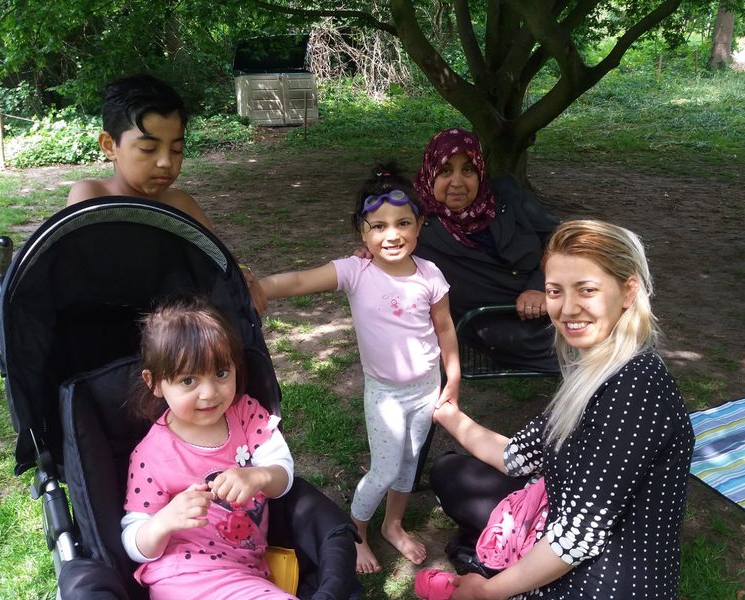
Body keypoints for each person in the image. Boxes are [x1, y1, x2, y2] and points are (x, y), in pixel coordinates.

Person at [425, 220, 695, 599]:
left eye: (587, 290)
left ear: (628, 291)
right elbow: (516, 456)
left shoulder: (635, 389)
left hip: (600, 582)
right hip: (559, 524)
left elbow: (578, 537)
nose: (567, 309)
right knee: (450, 472)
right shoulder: (595, 369)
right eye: (555, 291)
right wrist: (447, 412)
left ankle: (498, 566)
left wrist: (484, 592)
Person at [257, 165, 460, 574]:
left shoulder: (430, 275)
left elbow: (445, 328)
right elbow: (299, 281)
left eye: (403, 223)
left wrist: (452, 378)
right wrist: (257, 287)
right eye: (379, 226)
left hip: (426, 387)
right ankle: (357, 533)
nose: (392, 235)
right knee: (385, 468)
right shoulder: (356, 271)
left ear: (420, 224)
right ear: (361, 231)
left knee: (409, 463)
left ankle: (393, 524)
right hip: (385, 393)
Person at [120, 294, 296, 599]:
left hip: (244, 570)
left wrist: (259, 476)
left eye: (221, 373)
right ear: (155, 382)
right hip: (183, 574)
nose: (210, 393)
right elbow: (133, 540)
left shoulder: (245, 414)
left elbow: (283, 473)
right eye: (189, 381)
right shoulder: (151, 455)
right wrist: (163, 521)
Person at [66, 73, 267, 313]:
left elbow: (221, 260)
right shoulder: (91, 196)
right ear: (109, 146)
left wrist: (242, 275)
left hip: (176, 328)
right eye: (148, 148)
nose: (165, 162)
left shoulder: (181, 204)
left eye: (176, 150)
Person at [413, 127, 559, 373]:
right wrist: (366, 256)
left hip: (560, 298)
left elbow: (559, 238)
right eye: (445, 170)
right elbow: (386, 245)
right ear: (431, 172)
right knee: (599, 359)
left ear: (480, 171)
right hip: (503, 327)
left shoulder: (506, 194)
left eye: (468, 169)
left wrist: (540, 285)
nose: (457, 182)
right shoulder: (417, 226)